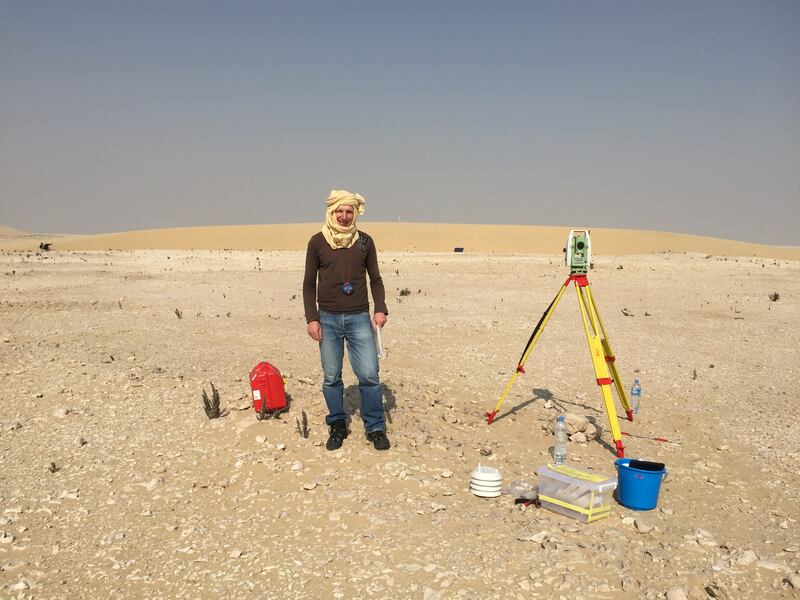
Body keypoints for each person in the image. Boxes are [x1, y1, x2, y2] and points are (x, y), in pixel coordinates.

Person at [303, 190, 390, 451]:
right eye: (339, 211)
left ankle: (375, 427)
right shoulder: (317, 242)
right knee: (331, 376)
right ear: (331, 212)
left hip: (359, 317)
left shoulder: (365, 242)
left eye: (349, 211)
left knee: (369, 374)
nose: (344, 216)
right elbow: (309, 284)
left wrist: (380, 308)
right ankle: (337, 423)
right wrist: (312, 318)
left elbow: (375, 279)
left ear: (355, 214)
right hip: (327, 319)